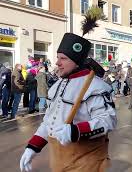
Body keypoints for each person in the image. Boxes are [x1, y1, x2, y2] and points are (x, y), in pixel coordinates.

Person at [19, 33, 117, 172]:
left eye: (63, 58)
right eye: (58, 57)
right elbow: (48, 122)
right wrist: (33, 147)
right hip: (59, 161)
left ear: (77, 62)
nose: (57, 62)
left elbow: (108, 120)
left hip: (88, 162)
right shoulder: (57, 85)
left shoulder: (95, 87)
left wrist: (75, 131)